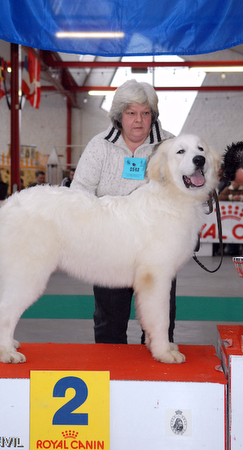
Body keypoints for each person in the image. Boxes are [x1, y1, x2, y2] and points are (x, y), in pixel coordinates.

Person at [71, 79, 175, 345]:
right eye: (131, 113)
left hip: (157, 251)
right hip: (110, 250)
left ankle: (153, 378)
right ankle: (110, 376)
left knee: (159, 324)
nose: (138, 120)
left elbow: (182, 197)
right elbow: (79, 193)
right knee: (109, 322)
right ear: (119, 116)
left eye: (145, 112)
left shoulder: (172, 146)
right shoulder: (99, 145)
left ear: (153, 115)